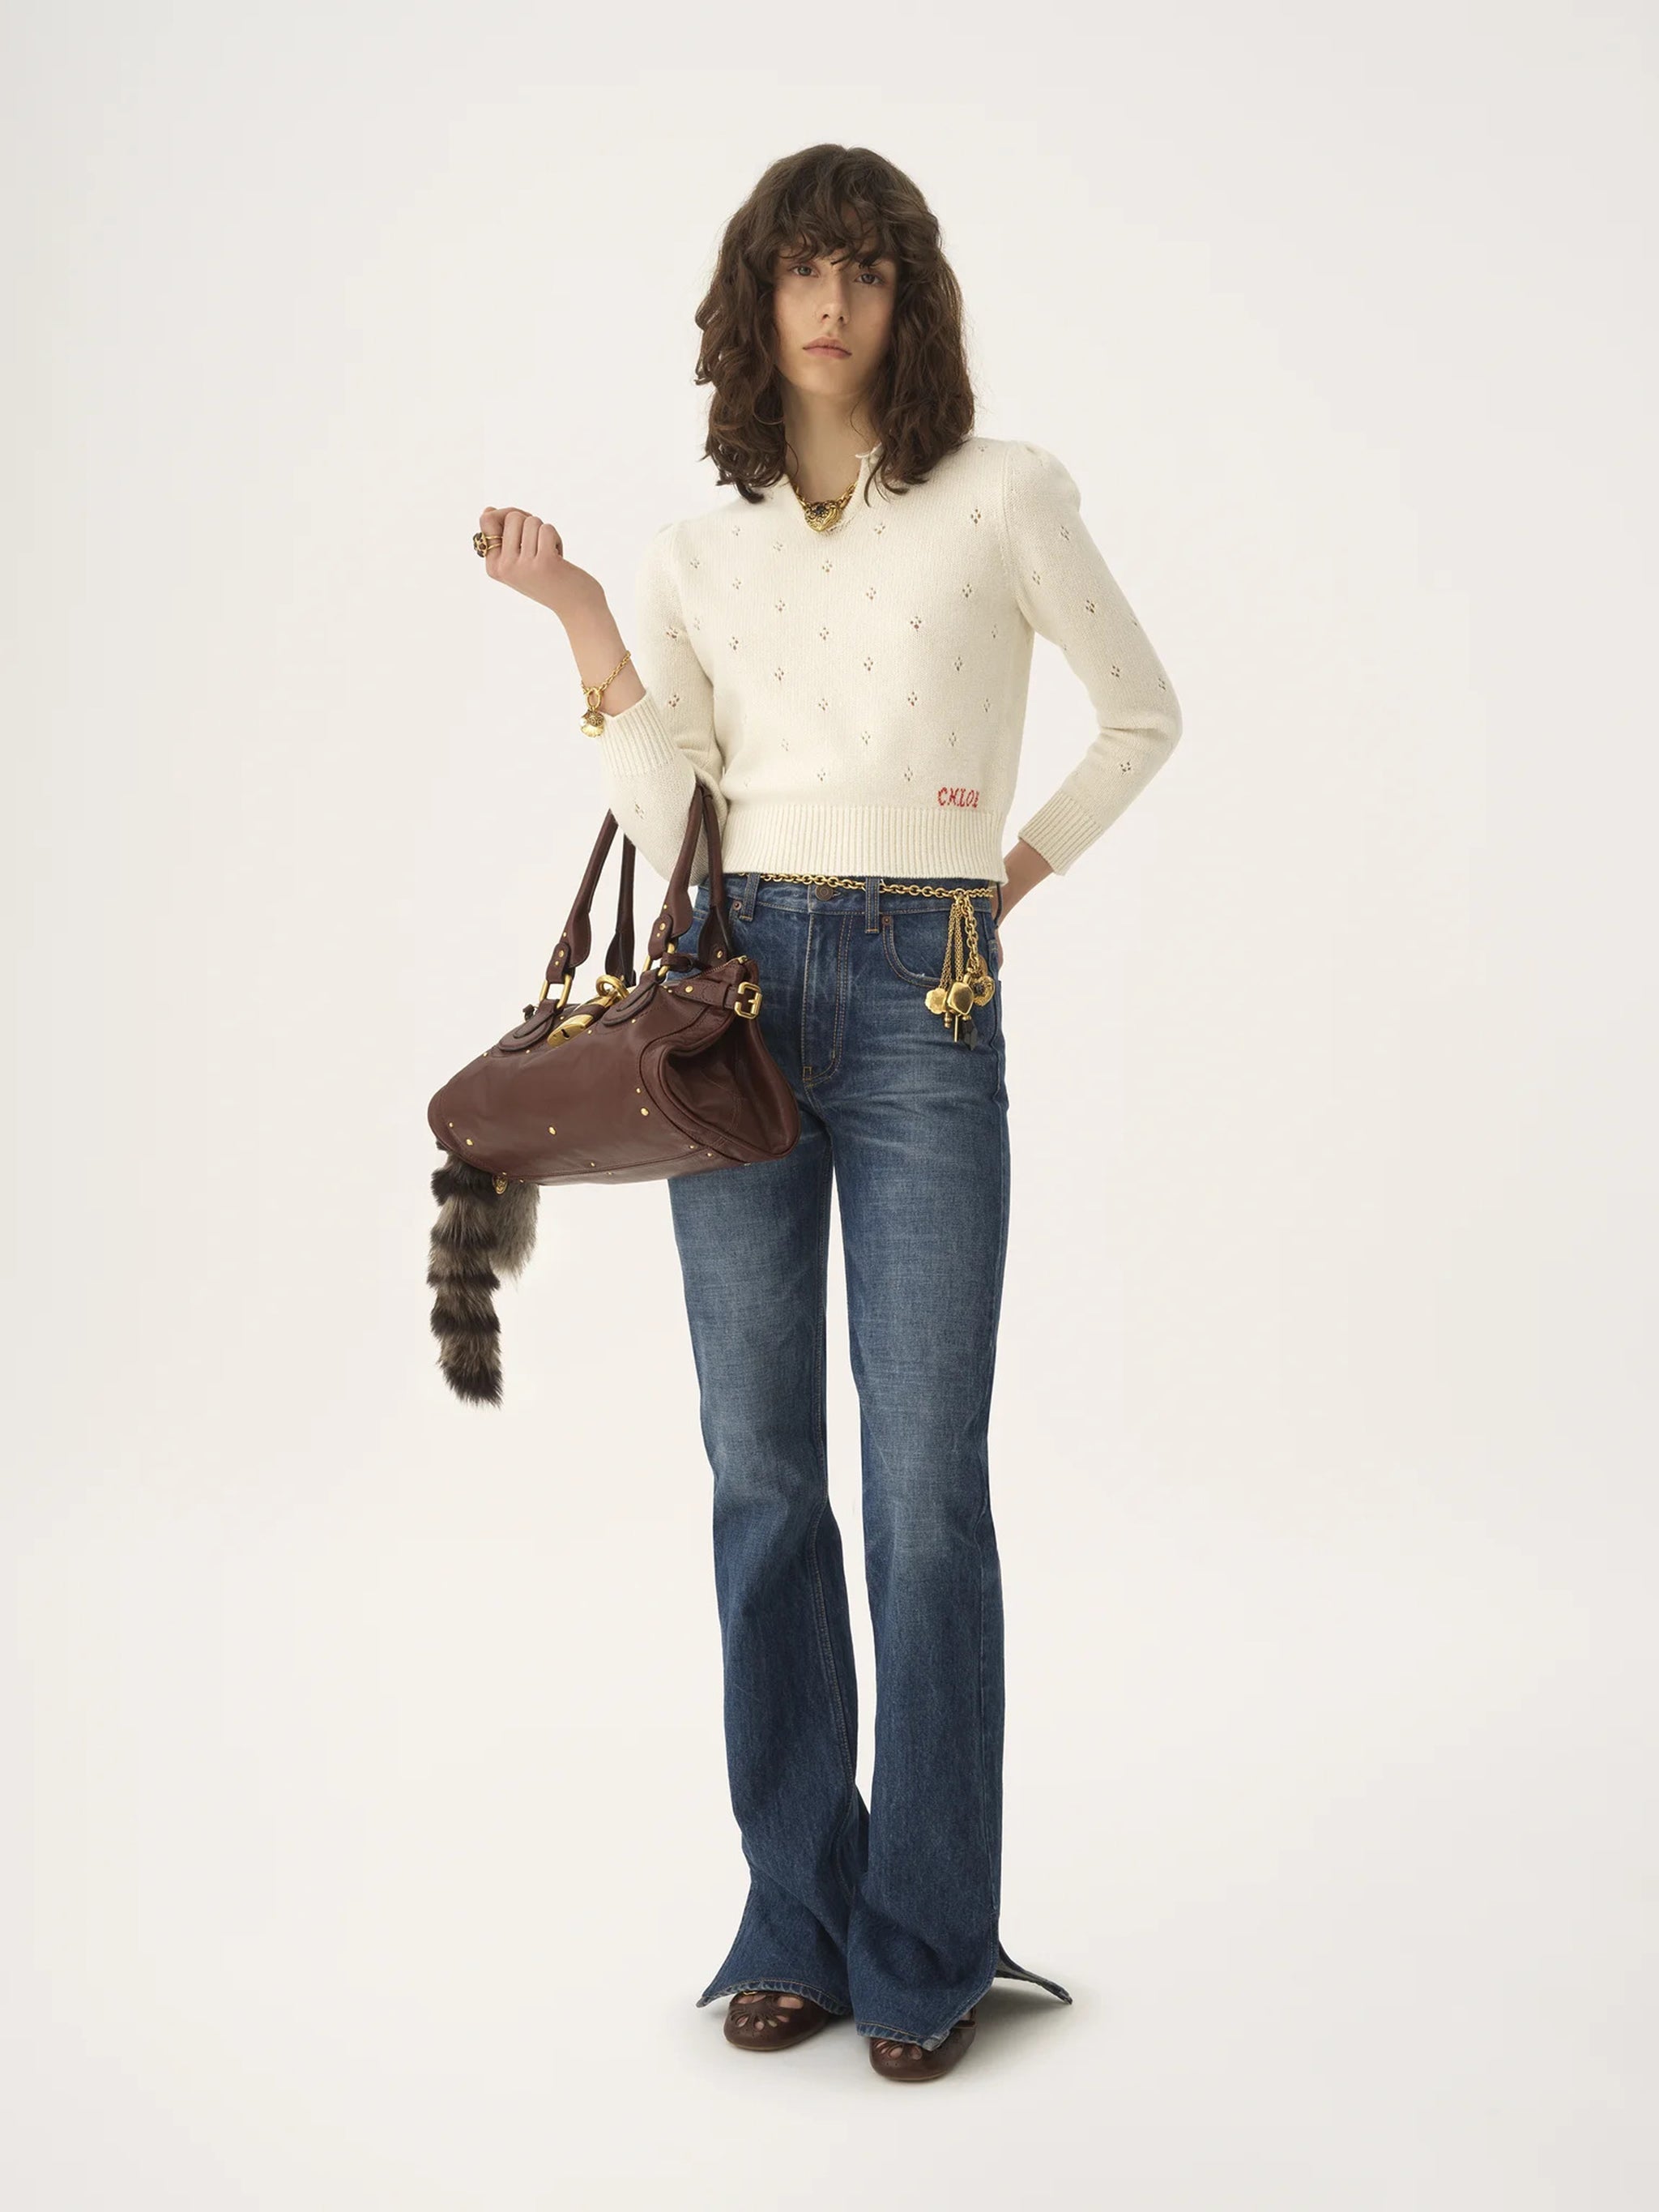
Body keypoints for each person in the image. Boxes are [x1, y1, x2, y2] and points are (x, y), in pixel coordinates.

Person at [473, 145, 1182, 2082]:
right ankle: (793, 1915)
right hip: (739, 1002)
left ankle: (927, 1941)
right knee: (763, 1473)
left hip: (932, 992)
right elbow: (670, 810)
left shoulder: (1003, 494)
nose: (832, 301)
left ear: (906, 299)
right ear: (754, 298)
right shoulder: (699, 551)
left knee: (925, 1493)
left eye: (866, 268)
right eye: (801, 266)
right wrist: (582, 616)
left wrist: (1000, 882)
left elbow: (1141, 714)